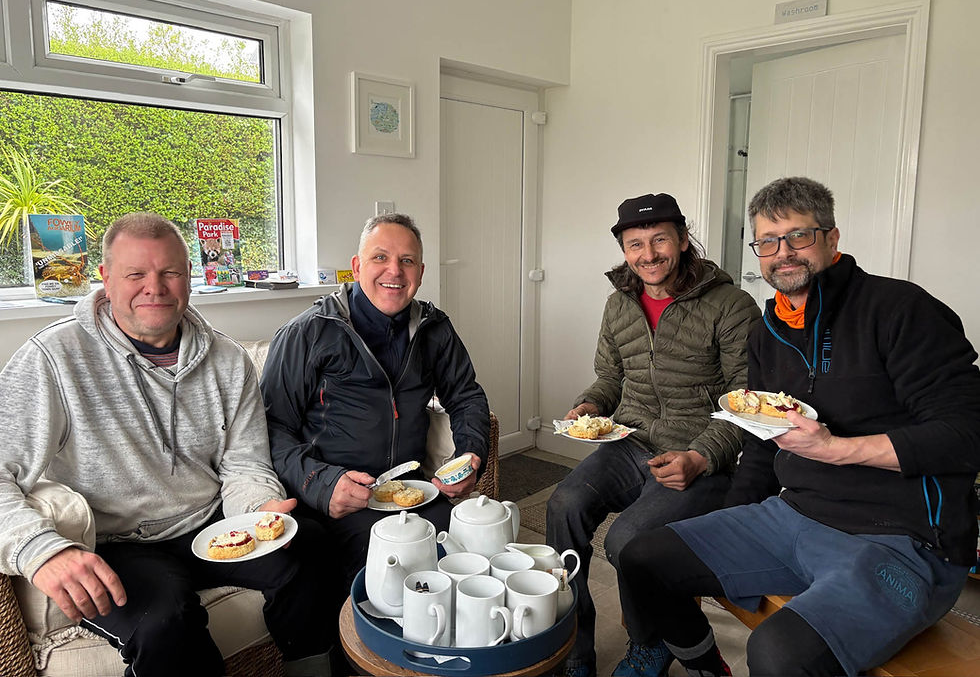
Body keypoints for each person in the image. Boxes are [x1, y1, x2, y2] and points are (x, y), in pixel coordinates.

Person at [616, 176, 980, 677]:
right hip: (794, 515)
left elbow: (967, 434)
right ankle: (706, 668)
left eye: (798, 236)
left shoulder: (900, 310)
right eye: (767, 241)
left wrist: (837, 449)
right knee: (642, 559)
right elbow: (762, 444)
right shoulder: (769, 331)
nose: (782, 253)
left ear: (832, 238)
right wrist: (728, 525)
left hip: (904, 540)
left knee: (777, 653)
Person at [0, 213, 339, 677]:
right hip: (118, 541)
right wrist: (40, 549)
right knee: (165, 621)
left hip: (211, 522)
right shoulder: (52, 359)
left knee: (311, 545)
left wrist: (258, 510)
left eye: (170, 272)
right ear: (105, 279)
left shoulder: (228, 359)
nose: (154, 288)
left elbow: (244, 462)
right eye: (135, 274)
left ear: (189, 275)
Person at [547, 193, 761, 677]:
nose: (648, 254)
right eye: (635, 244)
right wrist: (591, 404)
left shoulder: (731, 305)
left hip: (700, 454)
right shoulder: (618, 305)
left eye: (659, 240)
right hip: (631, 443)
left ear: (683, 240)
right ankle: (573, 646)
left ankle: (649, 646)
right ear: (624, 250)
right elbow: (610, 377)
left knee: (627, 540)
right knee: (563, 506)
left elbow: (747, 397)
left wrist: (701, 456)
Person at [260, 213, 490, 590]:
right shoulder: (308, 332)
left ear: (420, 272)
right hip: (337, 499)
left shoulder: (435, 328)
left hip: (410, 492)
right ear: (357, 267)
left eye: (407, 260)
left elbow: (466, 396)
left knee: (470, 555)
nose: (394, 271)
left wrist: (470, 455)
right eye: (380, 257)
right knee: (389, 580)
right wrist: (322, 484)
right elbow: (271, 427)